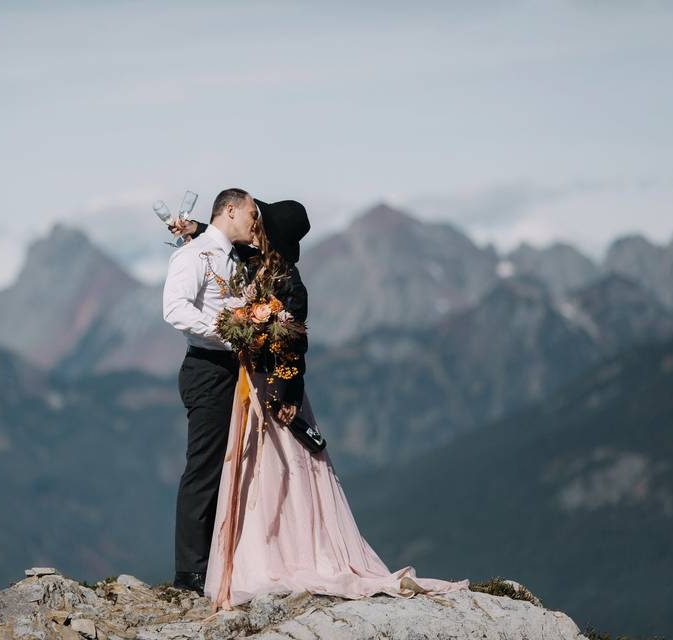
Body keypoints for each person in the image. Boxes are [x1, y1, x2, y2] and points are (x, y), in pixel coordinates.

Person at [172, 199, 471, 612]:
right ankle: (231, 560)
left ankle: (276, 557)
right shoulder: (251, 257)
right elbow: (224, 235)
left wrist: (286, 397)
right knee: (247, 475)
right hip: (247, 386)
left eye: (260, 219)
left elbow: (294, 345)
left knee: (278, 477)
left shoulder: (289, 283)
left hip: (273, 391)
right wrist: (194, 228)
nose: (253, 222)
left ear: (269, 231)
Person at [161, 187, 259, 596]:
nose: (256, 221)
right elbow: (174, 308)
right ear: (231, 210)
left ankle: (220, 564)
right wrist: (225, 328)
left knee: (231, 467)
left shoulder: (234, 257)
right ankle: (190, 573)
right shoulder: (193, 255)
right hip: (207, 369)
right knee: (204, 468)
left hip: (234, 369)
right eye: (252, 213)